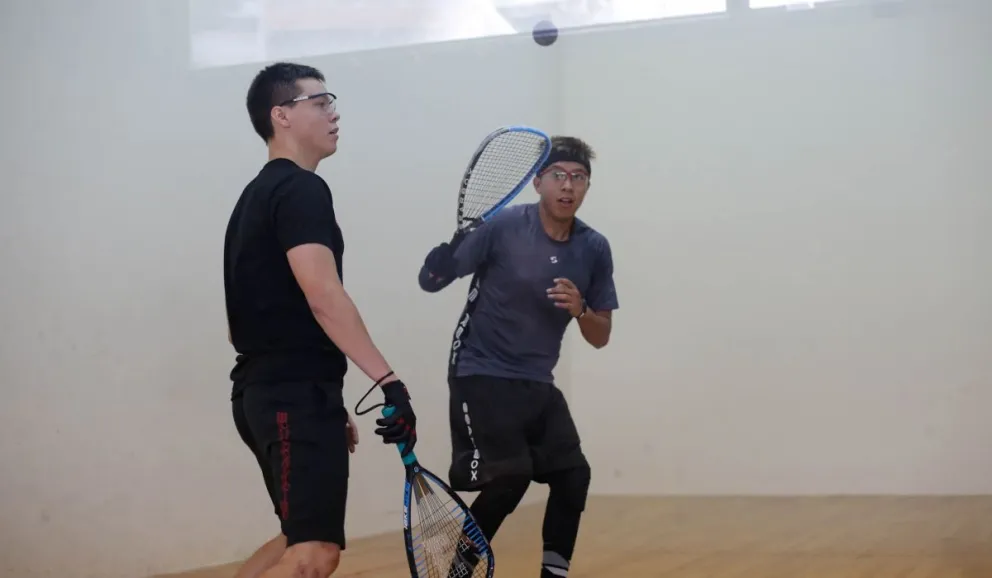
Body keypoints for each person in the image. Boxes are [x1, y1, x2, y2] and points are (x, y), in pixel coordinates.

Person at [223, 62, 418, 578]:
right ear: (281, 115)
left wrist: (320, 398)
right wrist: (387, 380)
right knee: (315, 553)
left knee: (297, 538)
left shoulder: (252, 198)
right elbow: (323, 294)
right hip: (289, 394)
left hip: (267, 392)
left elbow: (238, 320)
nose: (334, 113)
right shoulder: (303, 191)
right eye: (321, 101)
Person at [417, 136, 618, 578]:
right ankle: (456, 570)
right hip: (480, 371)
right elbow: (432, 281)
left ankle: (553, 574)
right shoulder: (503, 226)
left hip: (536, 382)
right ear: (537, 182)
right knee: (511, 476)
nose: (568, 186)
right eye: (558, 176)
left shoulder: (594, 248)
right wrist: (440, 259)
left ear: (587, 186)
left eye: (579, 178)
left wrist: (582, 308)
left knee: (572, 475)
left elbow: (600, 336)